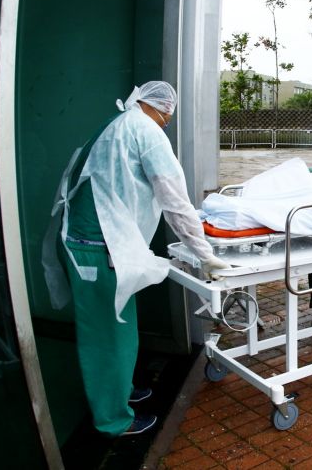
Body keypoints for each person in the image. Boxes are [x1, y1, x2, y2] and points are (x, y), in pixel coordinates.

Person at [42, 81, 229, 437]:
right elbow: (175, 200)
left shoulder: (117, 124)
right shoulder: (147, 132)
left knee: (120, 329)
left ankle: (121, 391)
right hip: (96, 250)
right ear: (163, 108)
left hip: (96, 243)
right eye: (169, 115)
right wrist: (205, 255)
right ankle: (114, 420)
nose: (168, 121)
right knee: (107, 337)